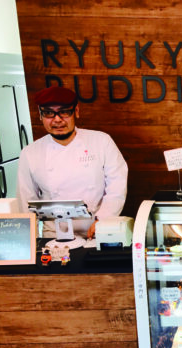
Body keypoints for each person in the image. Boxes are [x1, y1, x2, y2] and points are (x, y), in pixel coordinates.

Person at [17, 86, 128, 239]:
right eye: (49, 113)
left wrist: (103, 220)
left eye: (64, 112)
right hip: (54, 236)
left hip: (97, 231)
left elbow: (117, 186)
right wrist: (31, 241)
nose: (57, 119)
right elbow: (26, 202)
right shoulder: (30, 153)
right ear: (40, 115)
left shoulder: (101, 141)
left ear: (76, 111)